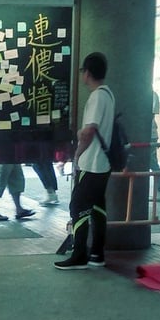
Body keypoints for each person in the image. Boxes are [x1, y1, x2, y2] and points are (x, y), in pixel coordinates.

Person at [54, 52, 114, 270]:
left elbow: (90, 130)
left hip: (92, 163)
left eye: (82, 71)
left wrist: (77, 152)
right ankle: (97, 253)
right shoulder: (108, 94)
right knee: (97, 208)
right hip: (103, 164)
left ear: (87, 72)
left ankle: (79, 255)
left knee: (78, 206)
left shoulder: (97, 96)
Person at [149, 90, 160, 202]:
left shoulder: (152, 95)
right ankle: (158, 191)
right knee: (151, 162)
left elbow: (151, 115)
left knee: (153, 162)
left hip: (150, 134)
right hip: (148, 134)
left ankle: (159, 191)